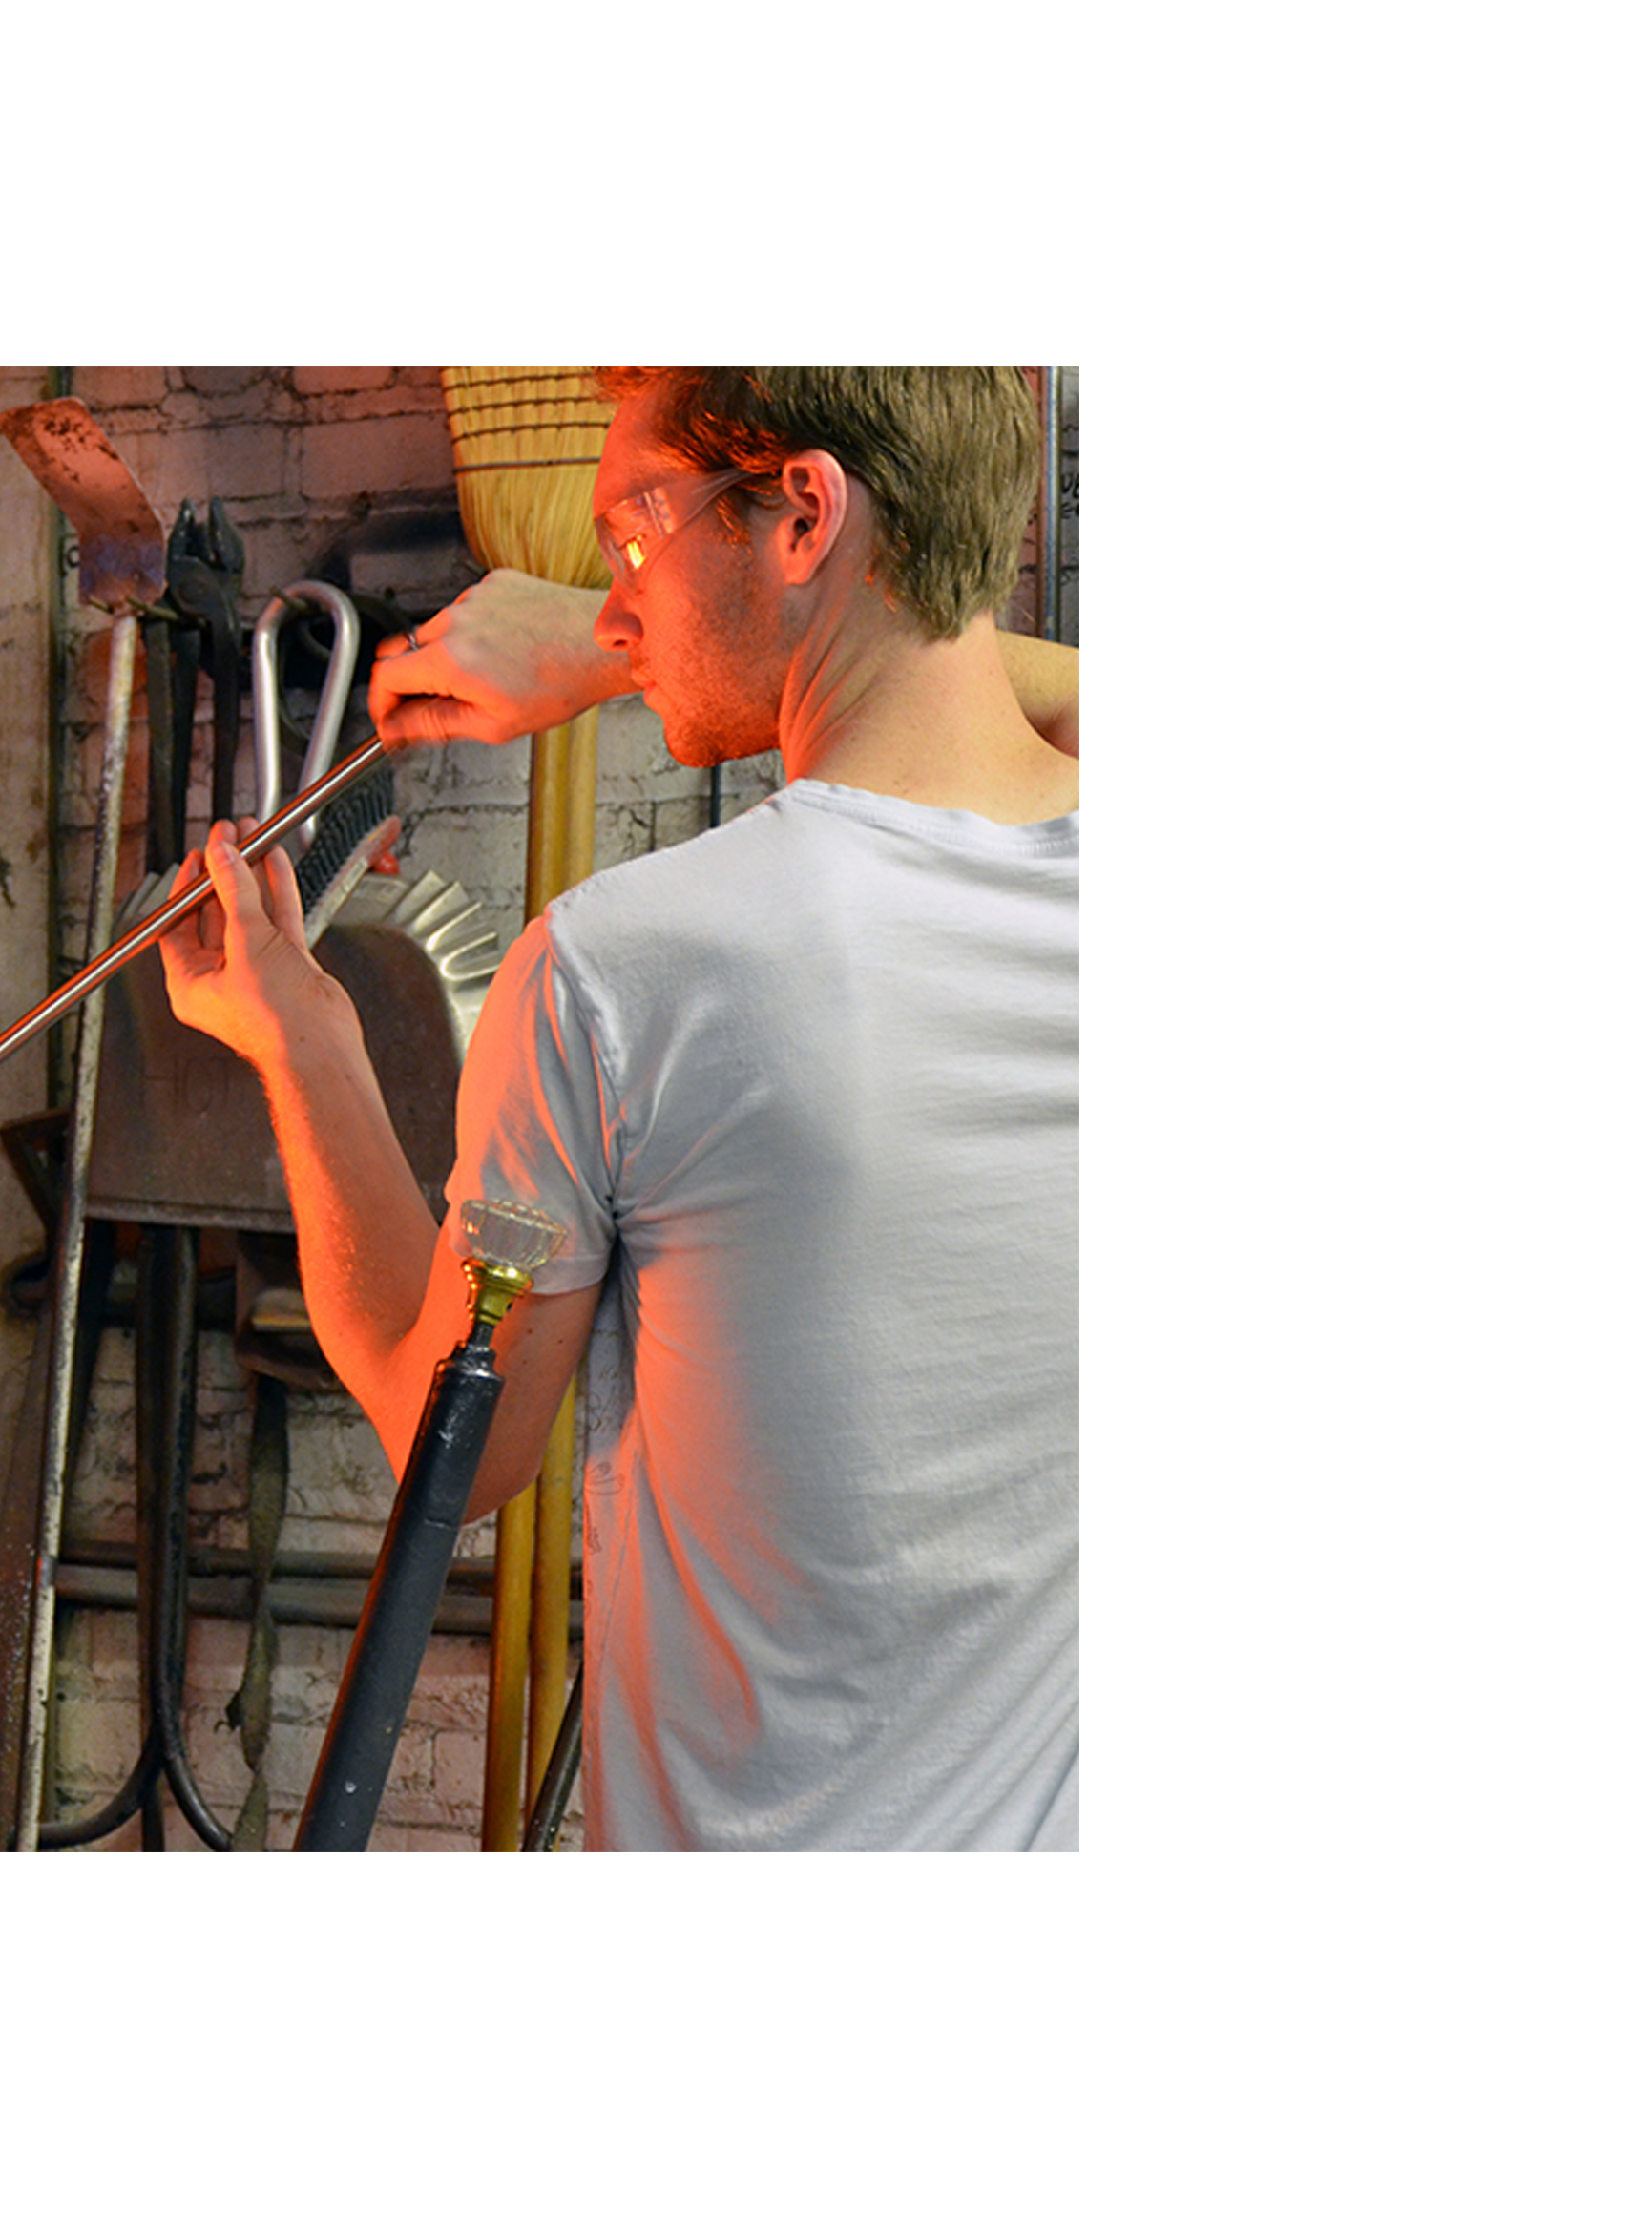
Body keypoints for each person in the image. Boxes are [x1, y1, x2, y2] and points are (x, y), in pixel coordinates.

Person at [157, 367, 1078, 1849]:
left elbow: (449, 1436)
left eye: (633, 537)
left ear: (801, 512)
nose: (615, 600)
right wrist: (650, 635)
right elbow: (996, 687)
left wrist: (302, 1035)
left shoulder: (630, 965)